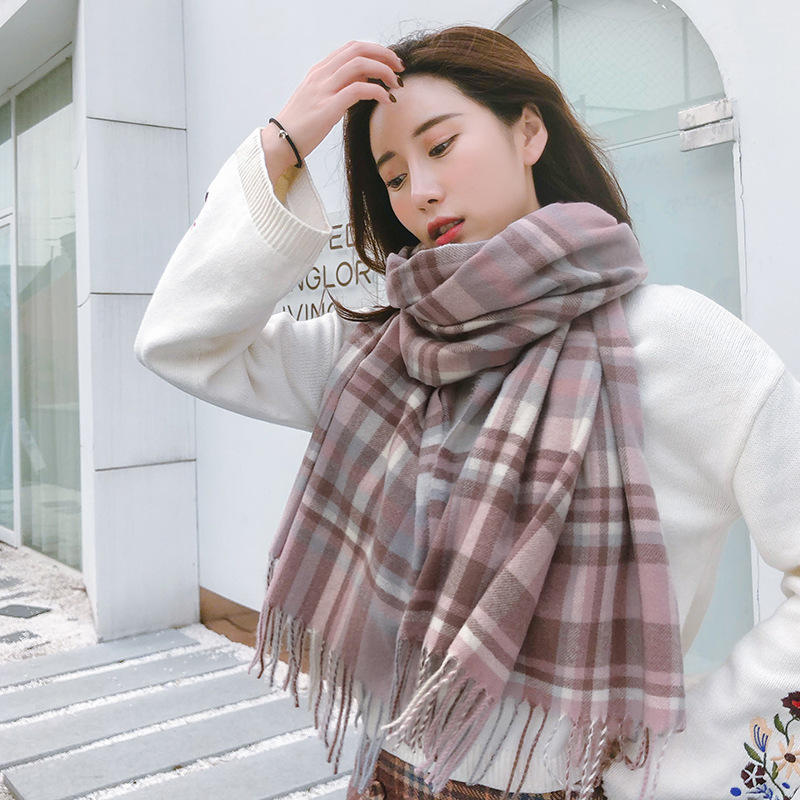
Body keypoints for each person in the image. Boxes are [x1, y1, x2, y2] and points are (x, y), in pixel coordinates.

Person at [134, 26, 800, 800]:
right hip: (389, 775)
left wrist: (696, 768)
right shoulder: (383, 353)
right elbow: (179, 340)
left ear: (529, 131)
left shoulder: (681, 344)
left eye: (441, 145)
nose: (419, 191)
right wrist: (282, 145)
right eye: (392, 175)